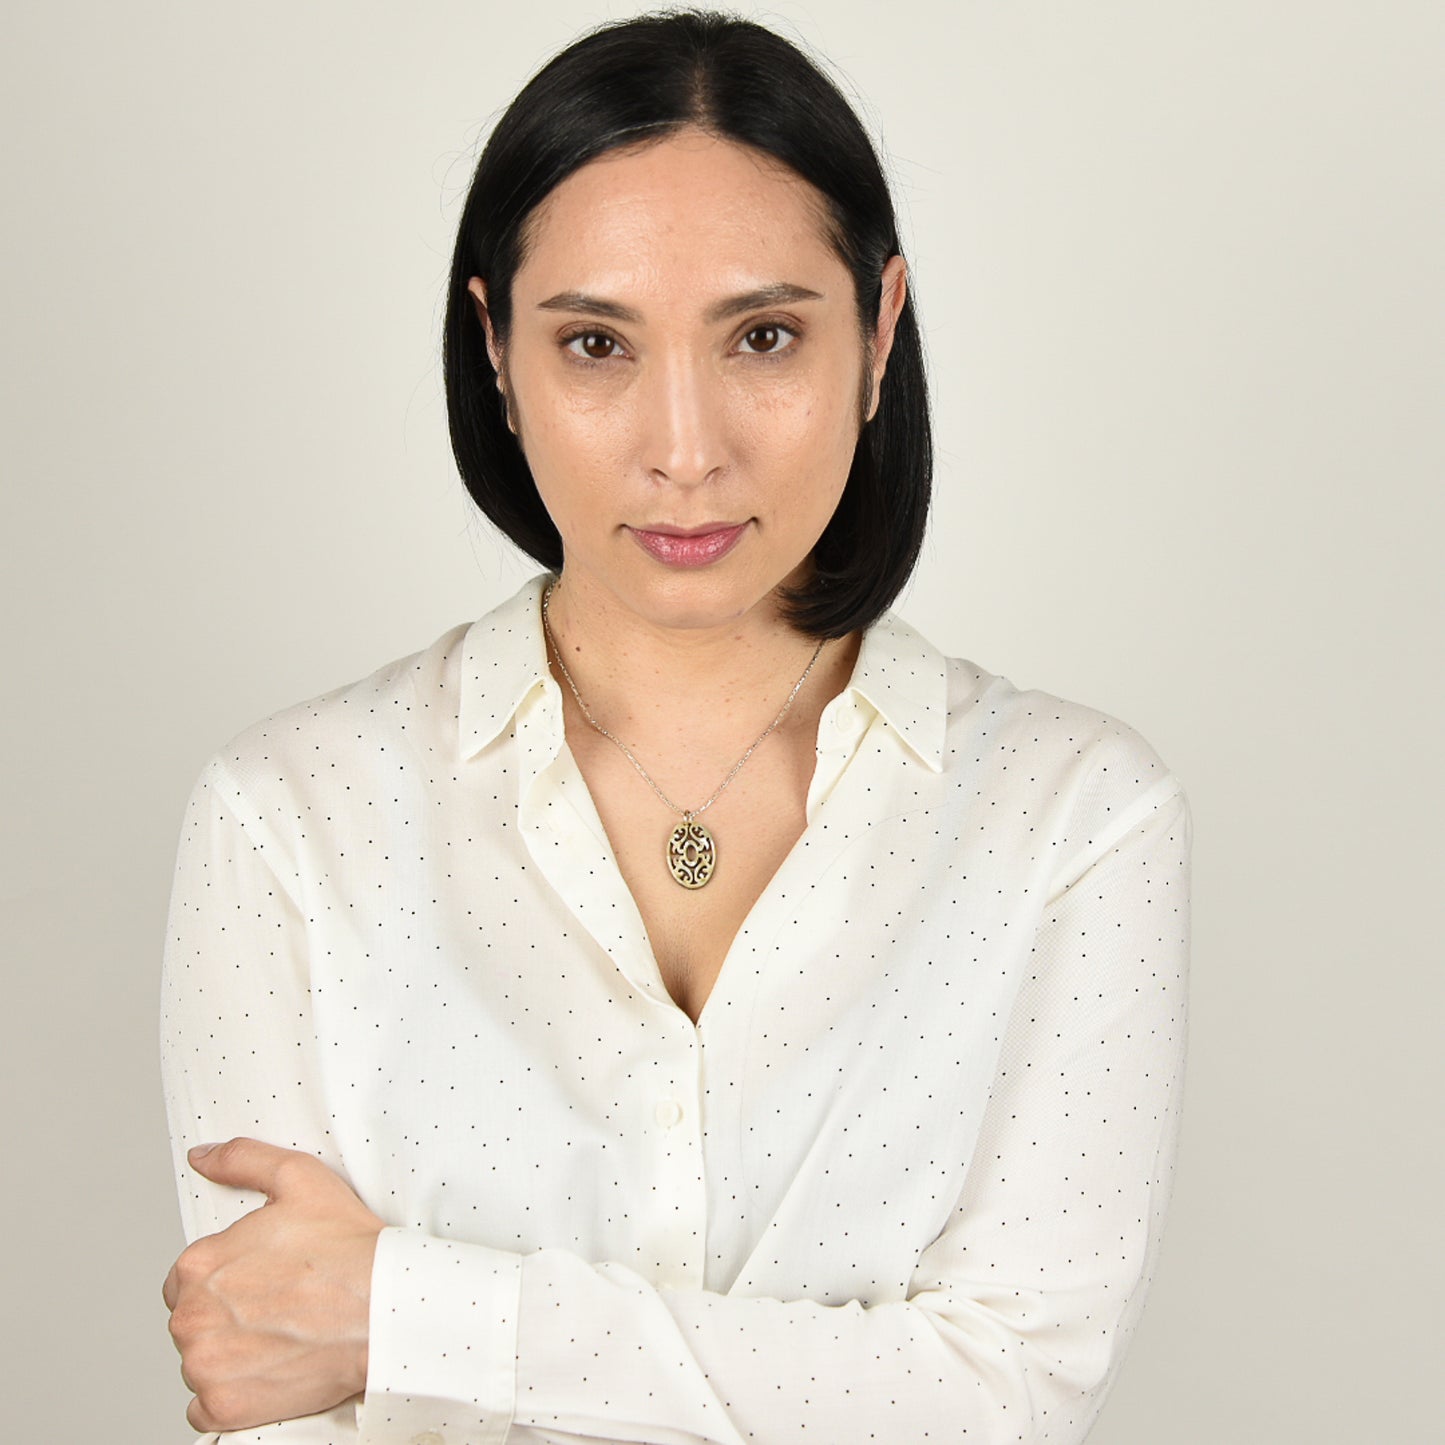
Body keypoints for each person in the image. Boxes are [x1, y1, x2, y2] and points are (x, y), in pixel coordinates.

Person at [159, 10, 1191, 1444]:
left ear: (880, 330)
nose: (686, 446)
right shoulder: (291, 817)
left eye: (763, 335)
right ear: (496, 353)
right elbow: (264, 1363)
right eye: (595, 343)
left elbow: (1001, 1395)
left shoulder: (1067, 814)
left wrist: (411, 1309)